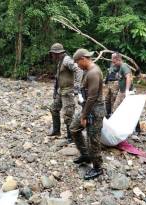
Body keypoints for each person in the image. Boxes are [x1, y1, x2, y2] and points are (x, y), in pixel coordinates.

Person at [70, 48, 106, 180]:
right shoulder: (87, 71)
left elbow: (92, 97)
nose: (77, 66)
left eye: (77, 63)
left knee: (93, 139)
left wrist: (84, 116)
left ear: (83, 59)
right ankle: (85, 155)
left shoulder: (94, 72)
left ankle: (97, 168)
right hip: (87, 107)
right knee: (74, 128)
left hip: (95, 110)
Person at [48, 43, 83, 143]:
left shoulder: (67, 60)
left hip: (68, 91)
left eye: (53, 54)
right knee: (54, 109)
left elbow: (79, 70)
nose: (52, 56)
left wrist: (77, 85)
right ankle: (56, 130)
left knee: (68, 115)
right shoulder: (60, 61)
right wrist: (55, 91)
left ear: (57, 53)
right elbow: (58, 77)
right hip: (61, 90)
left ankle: (71, 137)